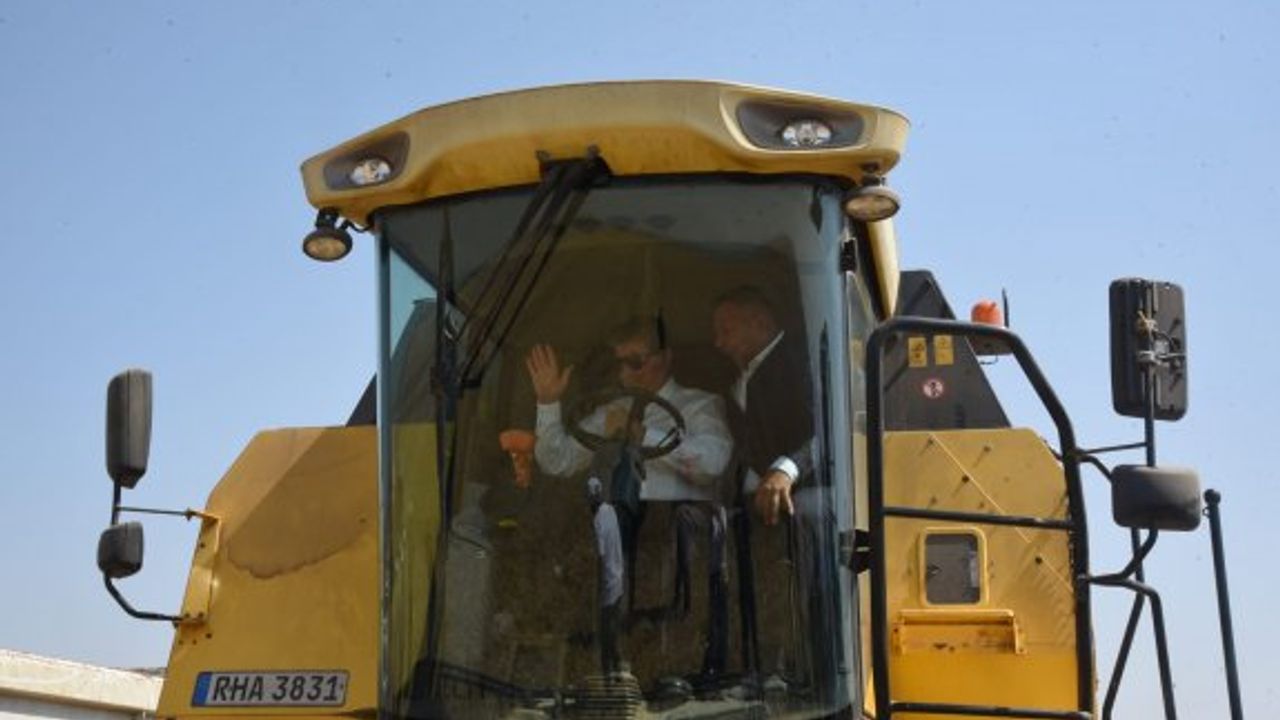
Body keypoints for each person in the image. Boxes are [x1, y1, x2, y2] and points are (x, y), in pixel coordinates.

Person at [525, 317, 733, 676]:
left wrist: (644, 435)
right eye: (617, 362)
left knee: (670, 659)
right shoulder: (609, 412)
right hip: (611, 549)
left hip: (678, 549)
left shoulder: (700, 405)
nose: (625, 371)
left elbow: (713, 461)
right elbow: (557, 460)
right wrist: (547, 402)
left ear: (665, 358)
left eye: (635, 361)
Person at [711, 286, 842, 703]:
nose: (718, 341)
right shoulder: (742, 375)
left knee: (804, 517)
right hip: (766, 494)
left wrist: (786, 470)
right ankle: (742, 663)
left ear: (761, 324)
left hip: (824, 490)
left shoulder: (806, 361)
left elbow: (833, 429)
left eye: (725, 329)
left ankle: (804, 665)